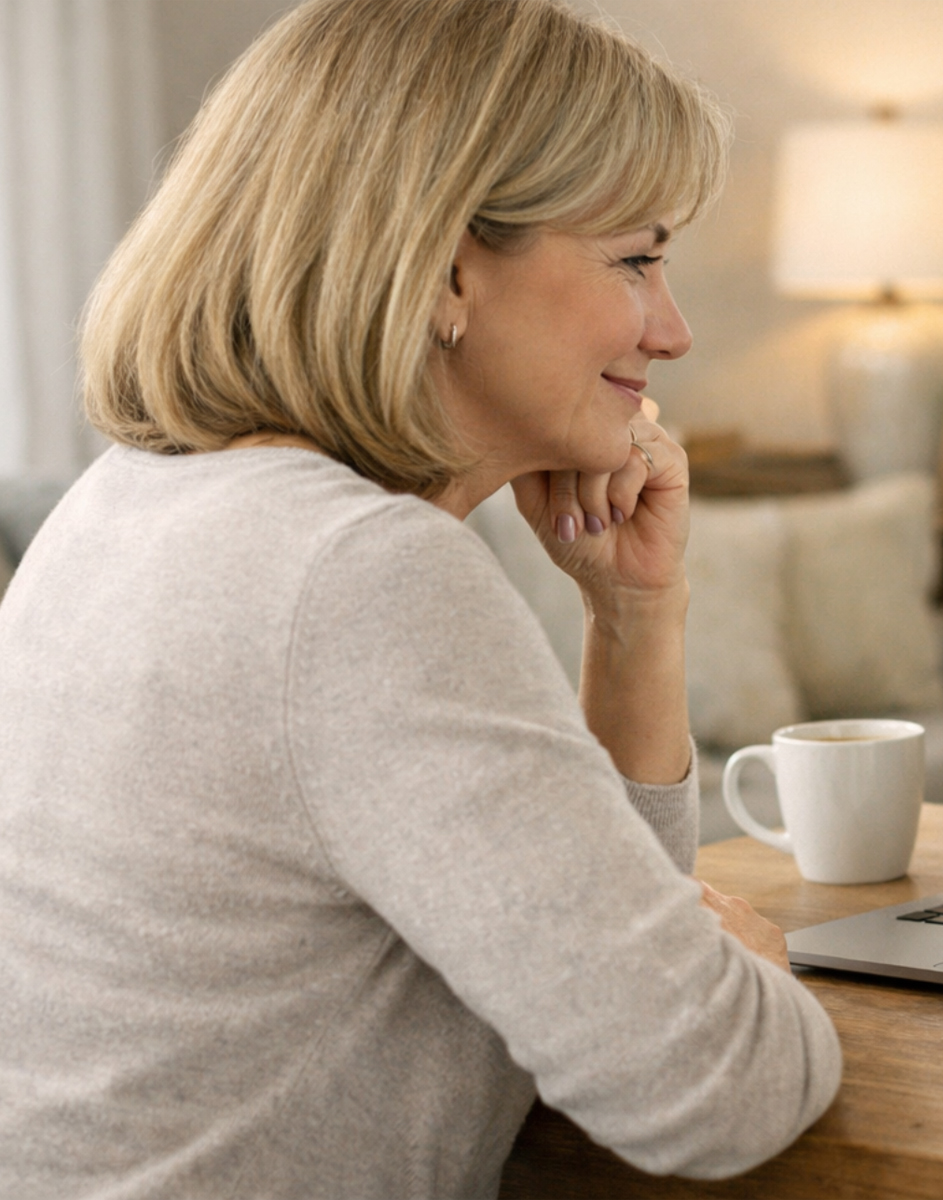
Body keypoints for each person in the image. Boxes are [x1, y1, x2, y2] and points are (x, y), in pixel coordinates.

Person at [0, 2, 839, 1195]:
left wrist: (632, 619)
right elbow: (711, 1088)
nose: (675, 328)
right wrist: (753, 969)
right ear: (449, 263)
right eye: (637, 258)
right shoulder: (356, 574)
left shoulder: (126, 505)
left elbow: (595, 967)